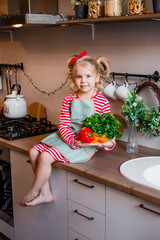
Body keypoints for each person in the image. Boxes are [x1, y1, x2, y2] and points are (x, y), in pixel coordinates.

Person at [17, 51, 116, 207]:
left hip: (86, 143)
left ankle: (33, 191)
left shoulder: (101, 101)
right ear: (73, 78)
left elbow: (107, 131)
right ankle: (45, 192)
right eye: (79, 77)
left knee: (44, 157)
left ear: (97, 78)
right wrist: (72, 141)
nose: (83, 81)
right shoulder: (69, 98)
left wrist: (109, 143)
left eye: (88, 76)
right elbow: (63, 124)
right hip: (69, 137)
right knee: (33, 152)